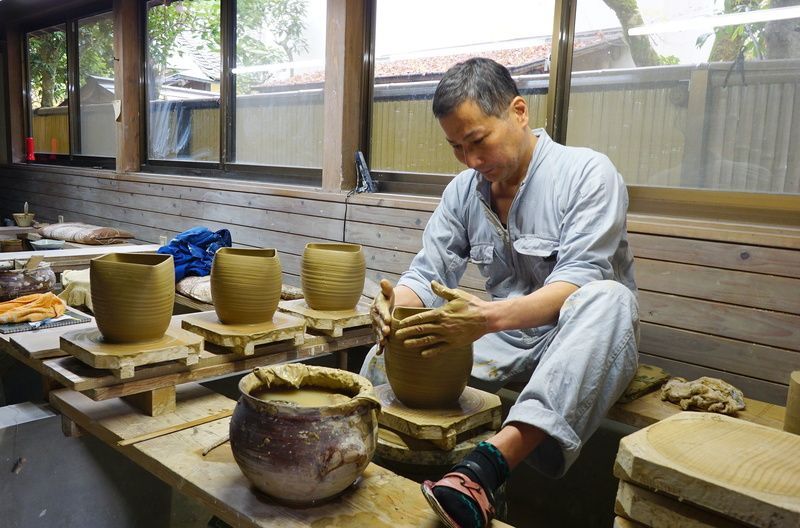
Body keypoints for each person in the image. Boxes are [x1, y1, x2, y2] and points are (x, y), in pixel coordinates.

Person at [360, 57, 639, 528]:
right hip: (504, 334)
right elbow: (427, 272)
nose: (470, 160)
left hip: (583, 337)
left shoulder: (588, 173)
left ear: (518, 112)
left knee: (609, 297)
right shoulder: (464, 191)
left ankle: (481, 473)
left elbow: (580, 278)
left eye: (477, 141)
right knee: (382, 357)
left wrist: (485, 318)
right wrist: (393, 307)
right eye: (456, 147)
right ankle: (377, 480)